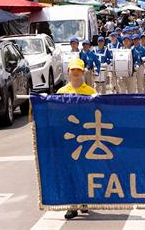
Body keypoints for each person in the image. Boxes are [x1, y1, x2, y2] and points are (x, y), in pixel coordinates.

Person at [57, 57, 95, 219]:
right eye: (73, 70)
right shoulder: (61, 93)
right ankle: (72, 205)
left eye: (78, 70)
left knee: (85, 170)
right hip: (68, 138)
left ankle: (84, 200)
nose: (76, 73)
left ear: (83, 72)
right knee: (70, 171)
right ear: (68, 72)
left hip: (86, 137)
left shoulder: (91, 92)